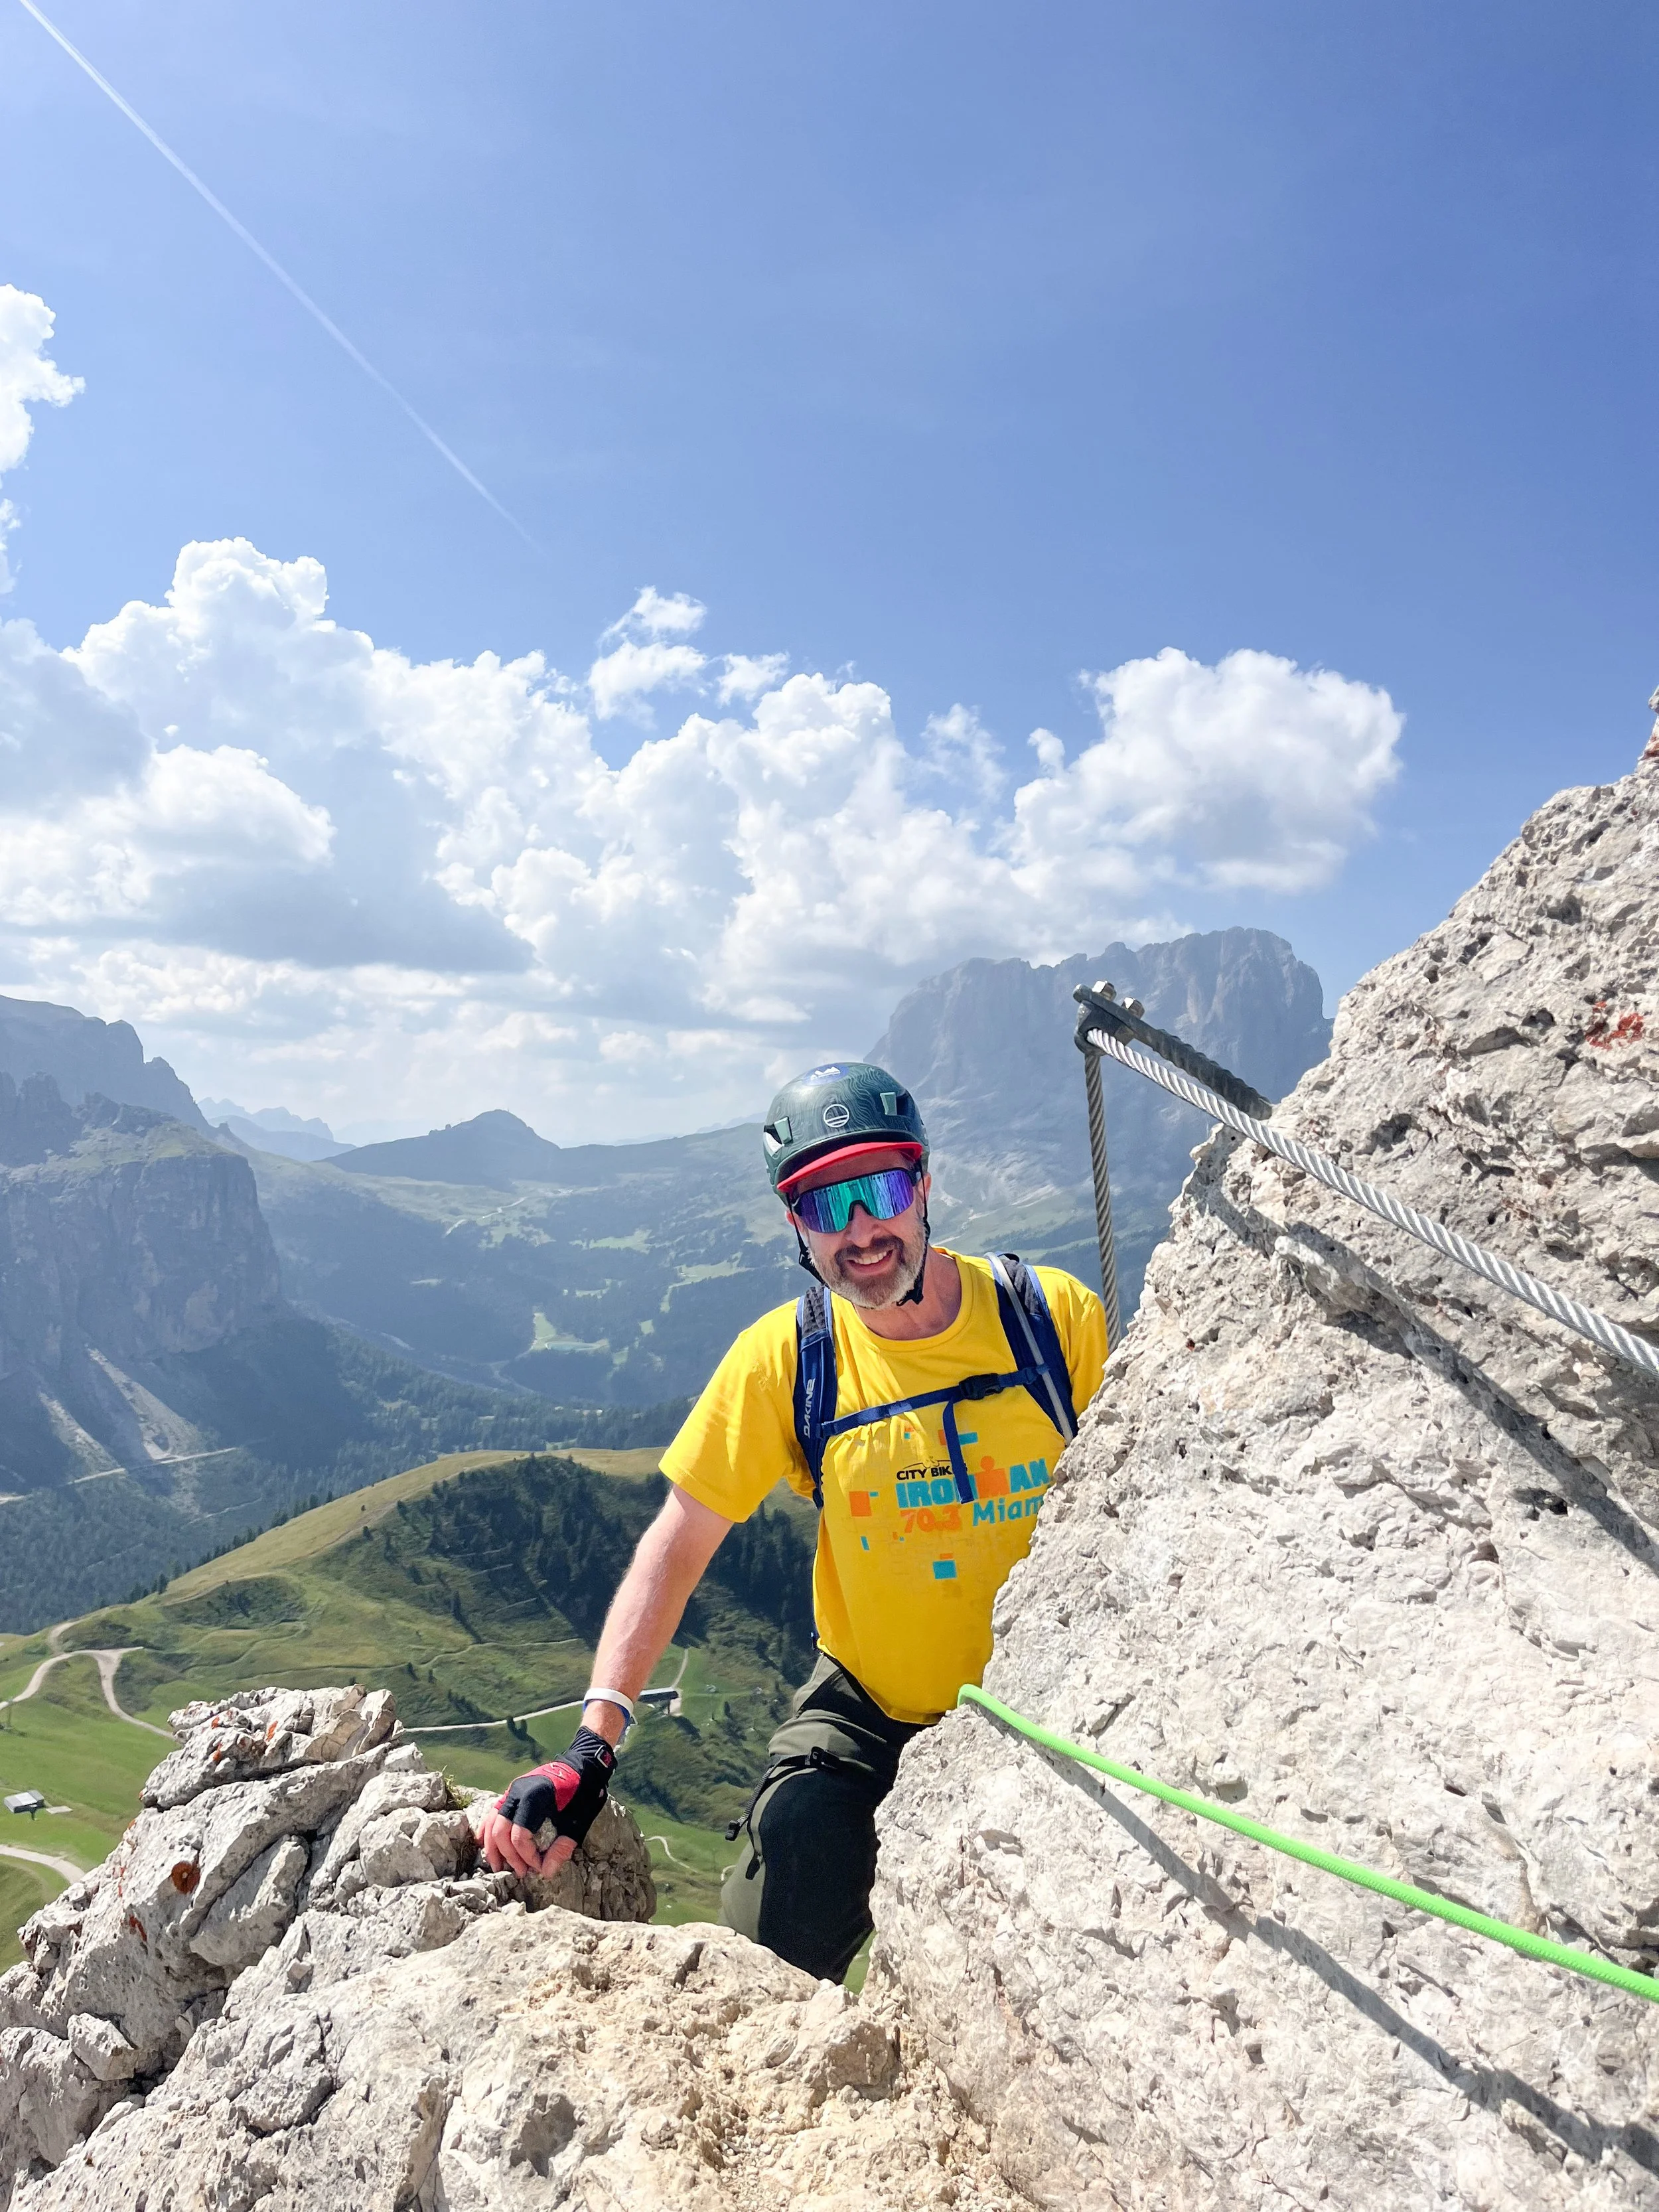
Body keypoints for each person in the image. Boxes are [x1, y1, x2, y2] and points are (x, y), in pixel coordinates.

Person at [480, 1060, 1108, 1981]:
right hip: (869, 1710)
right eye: (824, 1204)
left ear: (924, 1186)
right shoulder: (788, 1357)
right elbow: (678, 1541)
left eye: (880, 1189)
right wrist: (590, 1749)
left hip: (1057, 1706)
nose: (860, 1230)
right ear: (796, 1225)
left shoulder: (1053, 1321)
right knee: (759, 1957)